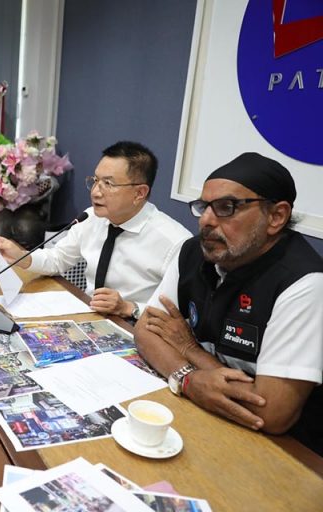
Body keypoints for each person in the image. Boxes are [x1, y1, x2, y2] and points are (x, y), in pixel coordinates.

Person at [135, 152, 323, 455]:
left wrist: (189, 350)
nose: (206, 220)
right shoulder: (194, 252)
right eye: (204, 206)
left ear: (276, 216)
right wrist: (187, 379)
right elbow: (146, 331)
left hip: (288, 450)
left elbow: (271, 412)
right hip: (206, 411)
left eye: (227, 207)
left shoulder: (304, 283)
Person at [0, 141, 191, 320]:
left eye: (108, 184)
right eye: (96, 180)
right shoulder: (92, 218)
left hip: (137, 328)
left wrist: (129, 308)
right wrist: (22, 256)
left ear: (139, 193)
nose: (95, 192)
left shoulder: (175, 242)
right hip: (88, 315)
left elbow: (181, 312)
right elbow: (58, 259)